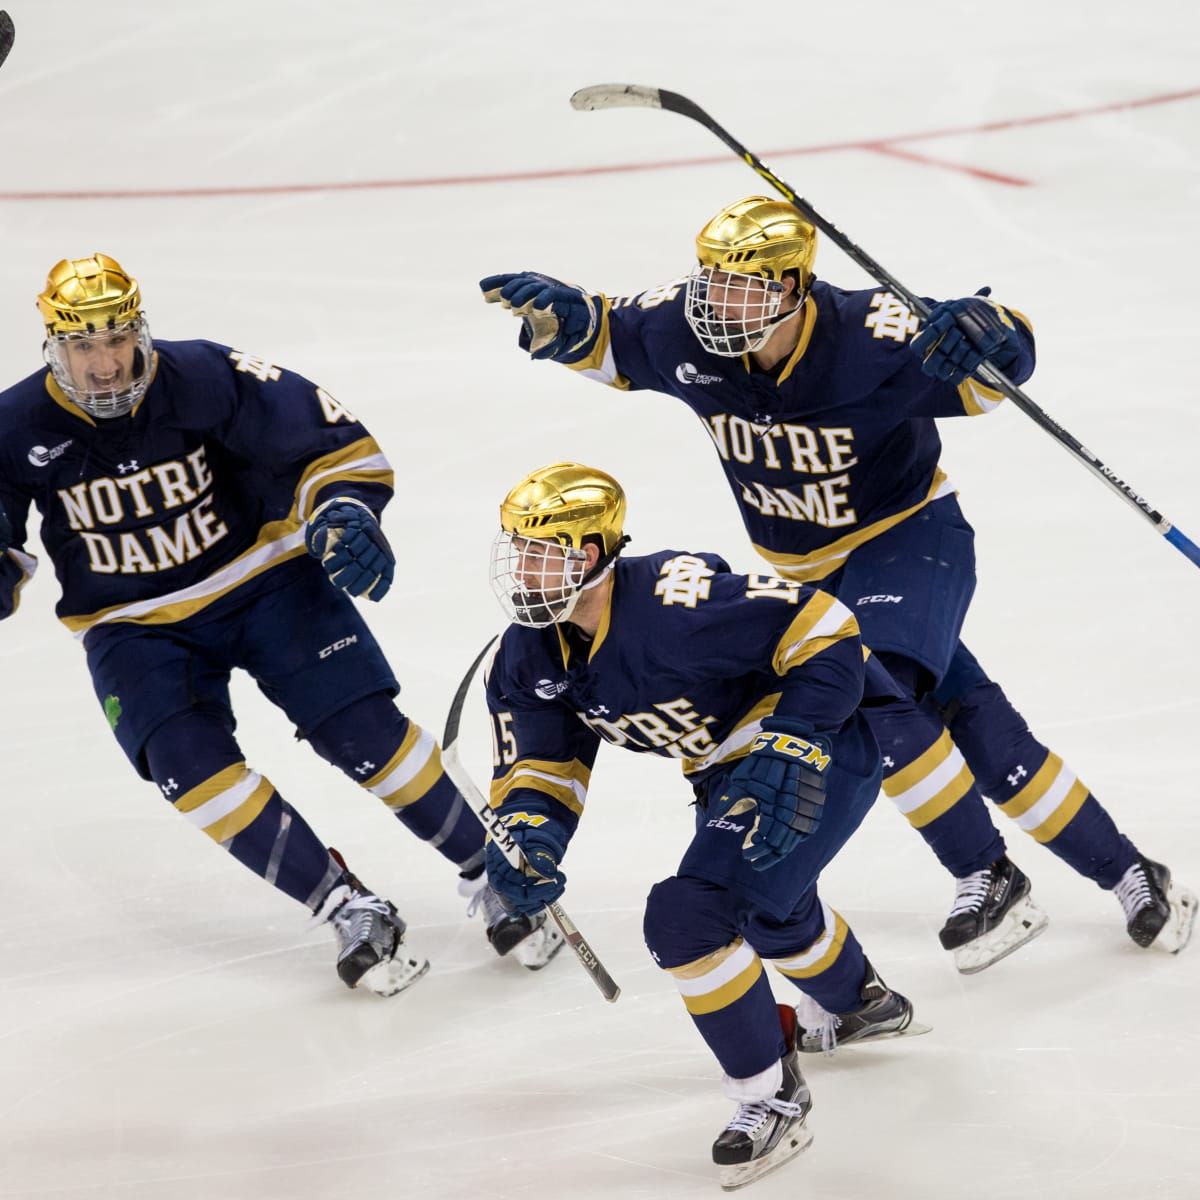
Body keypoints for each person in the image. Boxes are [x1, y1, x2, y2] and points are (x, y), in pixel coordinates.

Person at [479, 197, 1196, 971]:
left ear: (794, 286)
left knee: (872, 696)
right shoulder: (690, 329)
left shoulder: (870, 335)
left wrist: (997, 333)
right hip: (806, 580)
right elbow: (611, 332)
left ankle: (989, 877)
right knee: (970, 717)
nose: (720, 302)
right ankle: (1130, 870)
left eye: (746, 287)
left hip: (908, 542)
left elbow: (993, 373)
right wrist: (566, 321)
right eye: (714, 280)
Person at [0, 253, 560, 996]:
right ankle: (345, 906)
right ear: (53, 346)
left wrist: (343, 511)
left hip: (263, 579)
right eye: (82, 345)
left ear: (140, 332)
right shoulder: (15, 424)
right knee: (191, 775)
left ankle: (496, 874)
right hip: (133, 623)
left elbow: (327, 444)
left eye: (115, 340)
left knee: (365, 734)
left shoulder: (204, 375)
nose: (103, 364)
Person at [483, 460, 922, 1189]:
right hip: (727, 772)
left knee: (690, 919)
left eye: (537, 552)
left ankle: (770, 1097)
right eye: (515, 549)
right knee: (772, 913)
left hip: (815, 749)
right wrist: (530, 837)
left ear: (589, 555)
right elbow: (542, 767)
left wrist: (795, 736)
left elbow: (826, 626)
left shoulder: (671, 602)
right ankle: (863, 1003)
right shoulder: (529, 653)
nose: (520, 570)